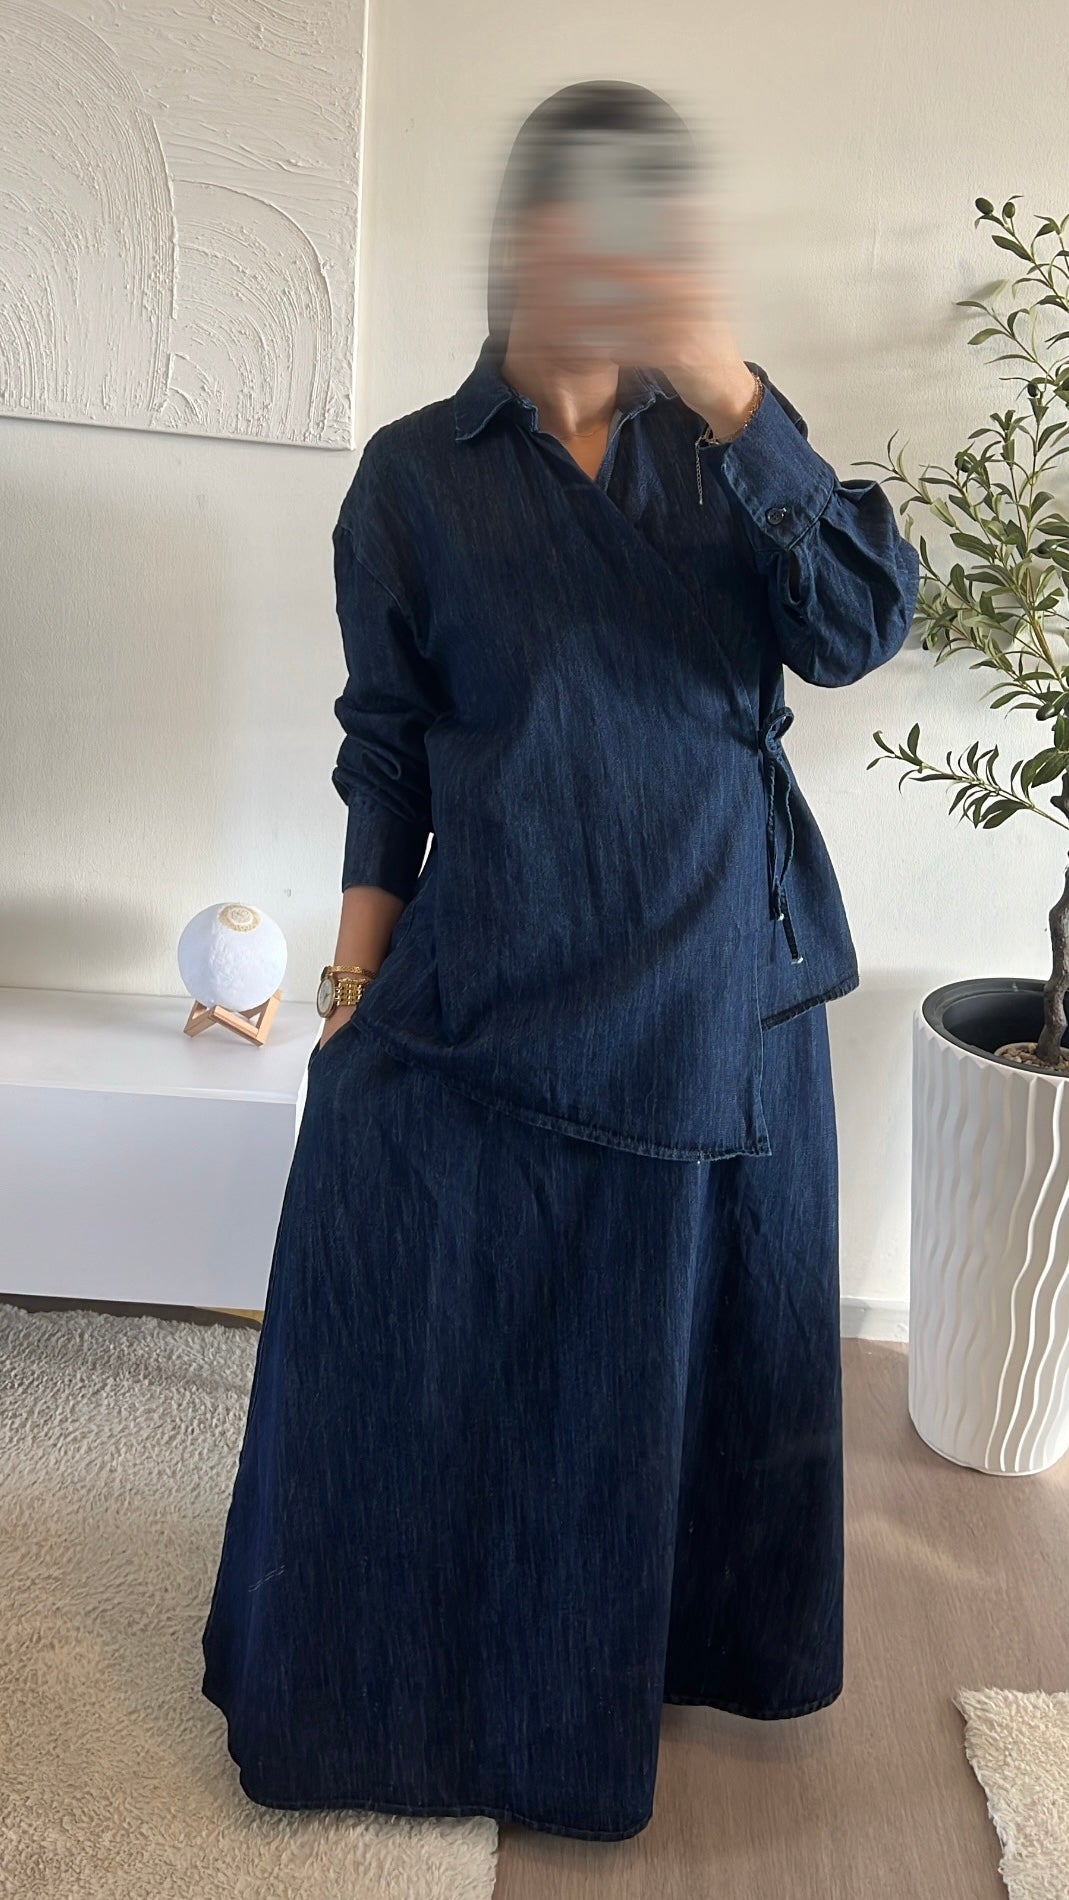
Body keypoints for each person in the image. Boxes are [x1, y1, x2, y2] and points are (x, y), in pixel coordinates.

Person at [200, 80, 920, 1842]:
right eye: (586, 219)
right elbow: (388, 752)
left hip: (706, 975)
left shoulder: (723, 447)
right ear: (523, 236)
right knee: (378, 1265)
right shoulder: (413, 477)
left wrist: (729, 386)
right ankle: (388, 1680)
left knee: (652, 1362)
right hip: (497, 955)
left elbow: (858, 629)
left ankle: (632, 1655)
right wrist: (350, 996)